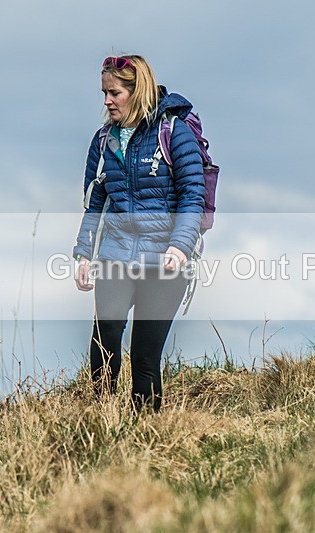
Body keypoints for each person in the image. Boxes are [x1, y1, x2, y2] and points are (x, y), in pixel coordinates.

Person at [73, 54, 205, 412]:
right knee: (106, 335)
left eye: (114, 93)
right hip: (116, 253)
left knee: (145, 358)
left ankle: (144, 432)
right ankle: (100, 415)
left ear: (136, 91)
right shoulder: (104, 140)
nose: (107, 101)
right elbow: (94, 200)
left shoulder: (173, 132)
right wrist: (84, 253)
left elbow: (194, 194)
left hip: (166, 259)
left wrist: (180, 247)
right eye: (104, 93)